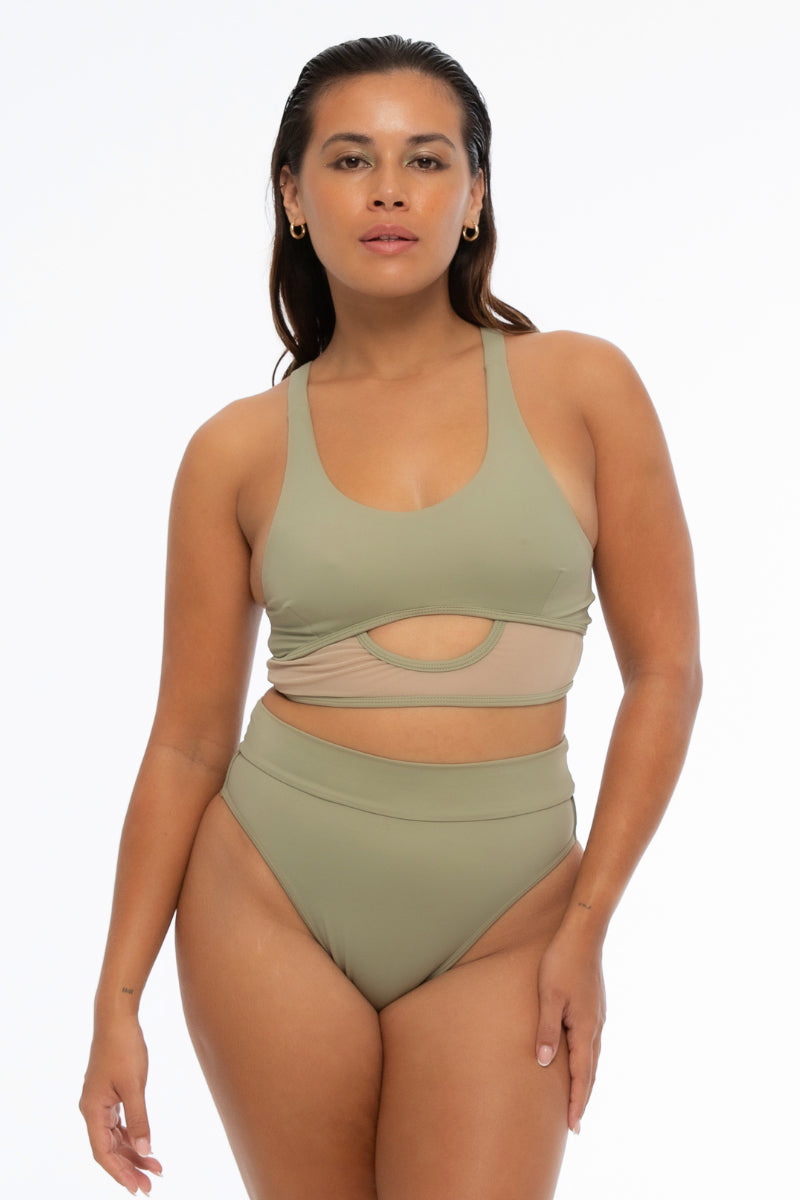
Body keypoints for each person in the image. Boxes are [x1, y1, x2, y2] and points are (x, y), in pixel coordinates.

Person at [79, 33, 702, 1200]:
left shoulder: (581, 389)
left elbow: (665, 674)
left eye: (425, 159)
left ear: (474, 196)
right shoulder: (234, 450)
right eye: (349, 159)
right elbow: (187, 742)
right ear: (292, 194)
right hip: (271, 894)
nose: (386, 190)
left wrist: (587, 923)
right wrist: (116, 1003)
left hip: (513, 912)